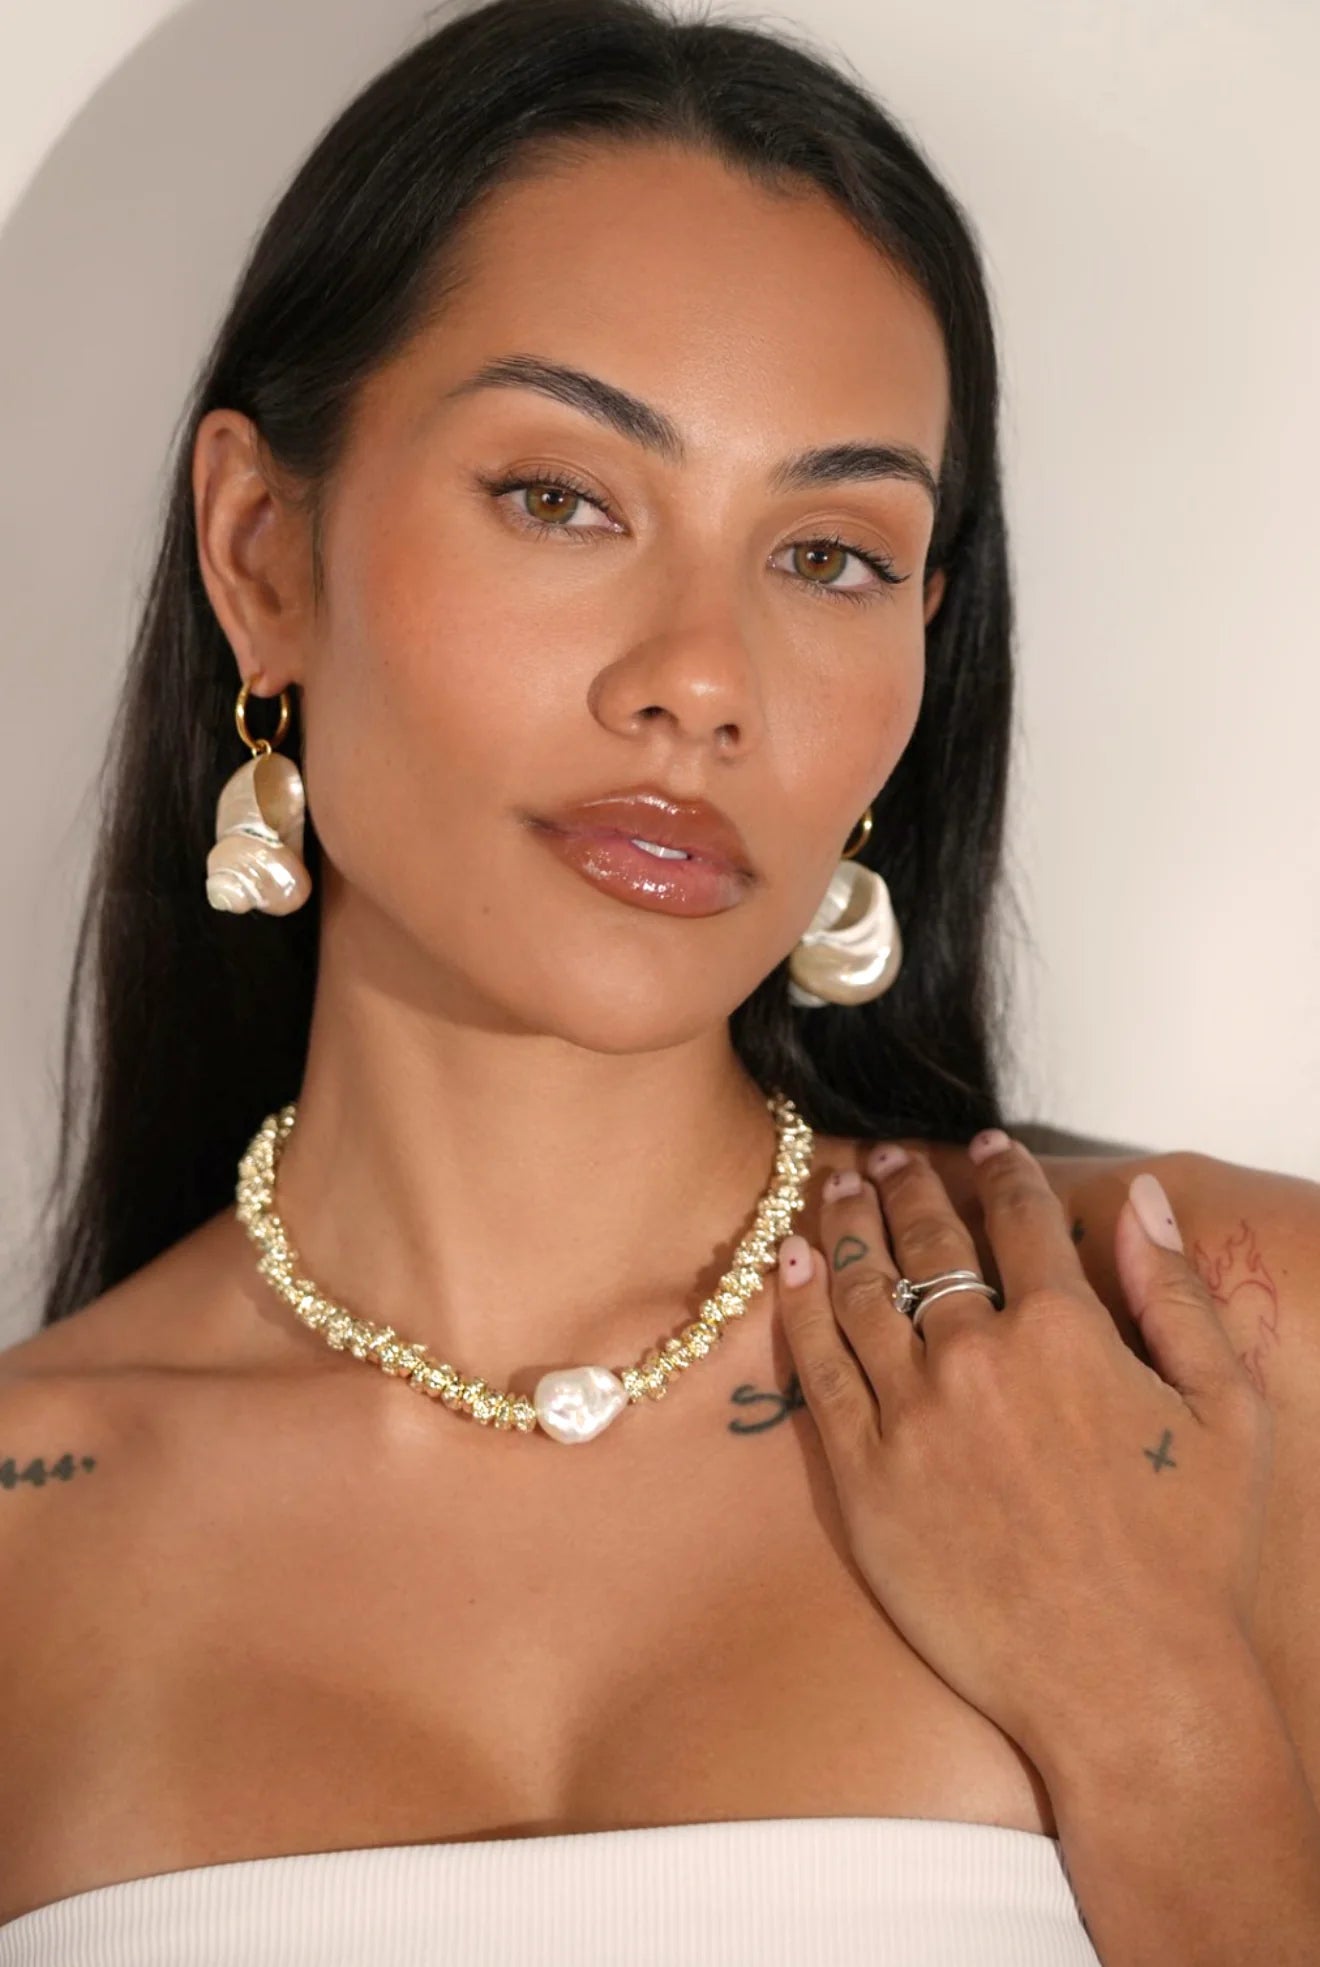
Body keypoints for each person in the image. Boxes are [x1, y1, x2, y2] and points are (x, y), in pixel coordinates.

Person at [1, 0, 1317, 1958]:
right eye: (563, 499)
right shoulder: (32, 1529)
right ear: (265, 550)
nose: (703, 677)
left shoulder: (1207, 1349)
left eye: (831, 557)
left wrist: (1165, 1733)